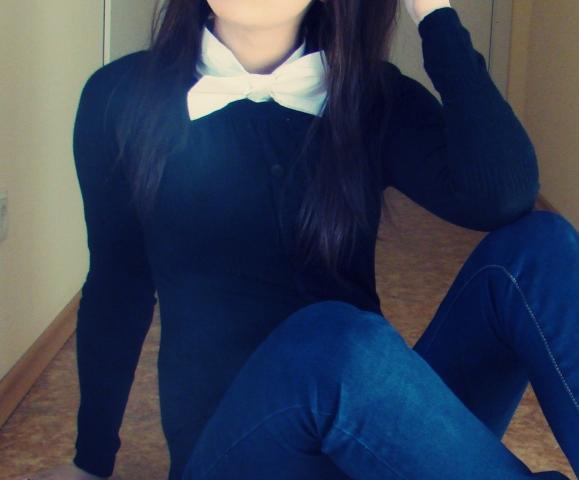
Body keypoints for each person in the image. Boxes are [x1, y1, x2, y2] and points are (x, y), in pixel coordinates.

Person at [16, 0, 579, 479]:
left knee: (540, 248)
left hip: (371, 431)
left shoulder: (370, 94)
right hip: (236, 451)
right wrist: (90, 462)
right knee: (333, 338)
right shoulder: (120, 96)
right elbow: (117, 287)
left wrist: (433, 12)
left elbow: (502, 194)